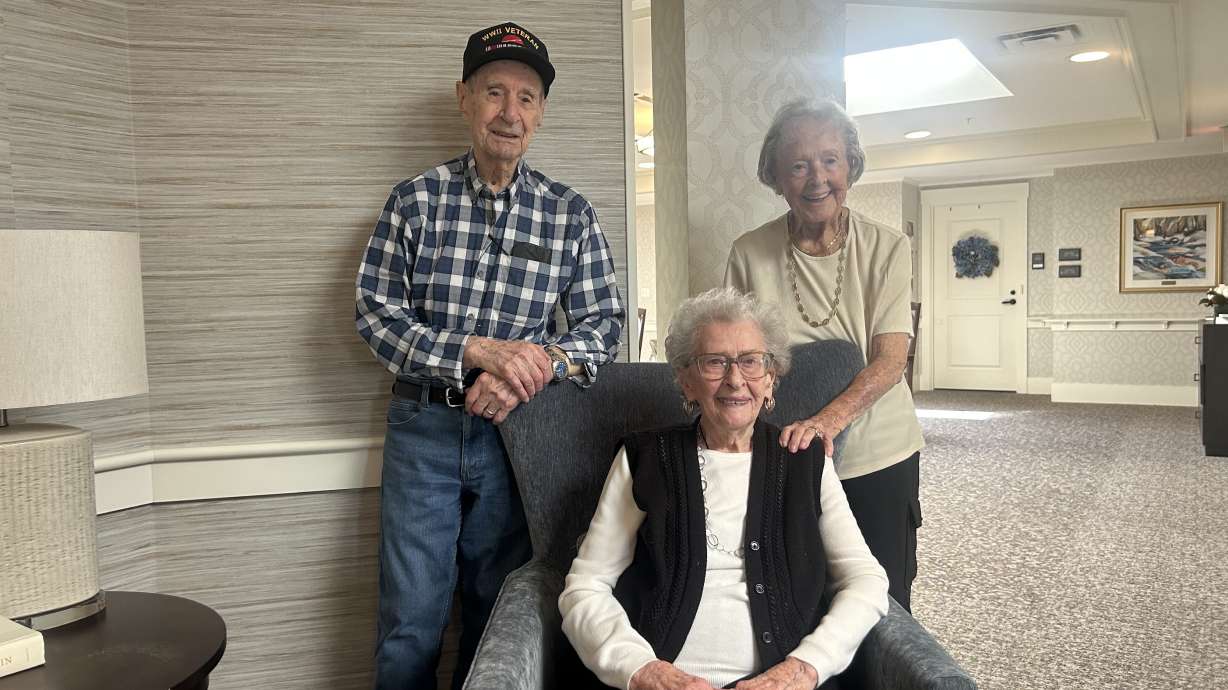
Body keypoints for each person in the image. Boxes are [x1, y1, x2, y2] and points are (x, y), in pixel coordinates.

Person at [355, 21, 624, 690]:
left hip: (517, 437)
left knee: (497, 612)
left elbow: (604, 324)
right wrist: (472, 351)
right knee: (410, 621)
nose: (511, 112)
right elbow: (375, 313)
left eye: (527, 98)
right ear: (464, 98)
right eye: (495, 92)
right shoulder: (414, 200)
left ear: (540, 113)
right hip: (425, 429)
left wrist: (535, 367)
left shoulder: (568, 213)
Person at [559, 288, 888, 690]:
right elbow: (585, 587)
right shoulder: (643, 458)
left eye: (751, 362)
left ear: (770, 379)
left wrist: (803, 669)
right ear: (686, 381)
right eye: (715, 363)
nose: (735, 380)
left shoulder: (804, 460)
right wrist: (645, 672)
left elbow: (866, 581)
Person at [724, 99, 925, 611]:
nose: (817, 178)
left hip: (879, 451)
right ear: (776, 177)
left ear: (850, 167)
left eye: (830, 160)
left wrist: (826, 422)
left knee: (885, 598)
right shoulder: (750, 252)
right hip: (788, 453)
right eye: (798, 164)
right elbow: (739, 357)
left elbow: (890, 358)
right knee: (800, 595)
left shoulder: (887, 247)